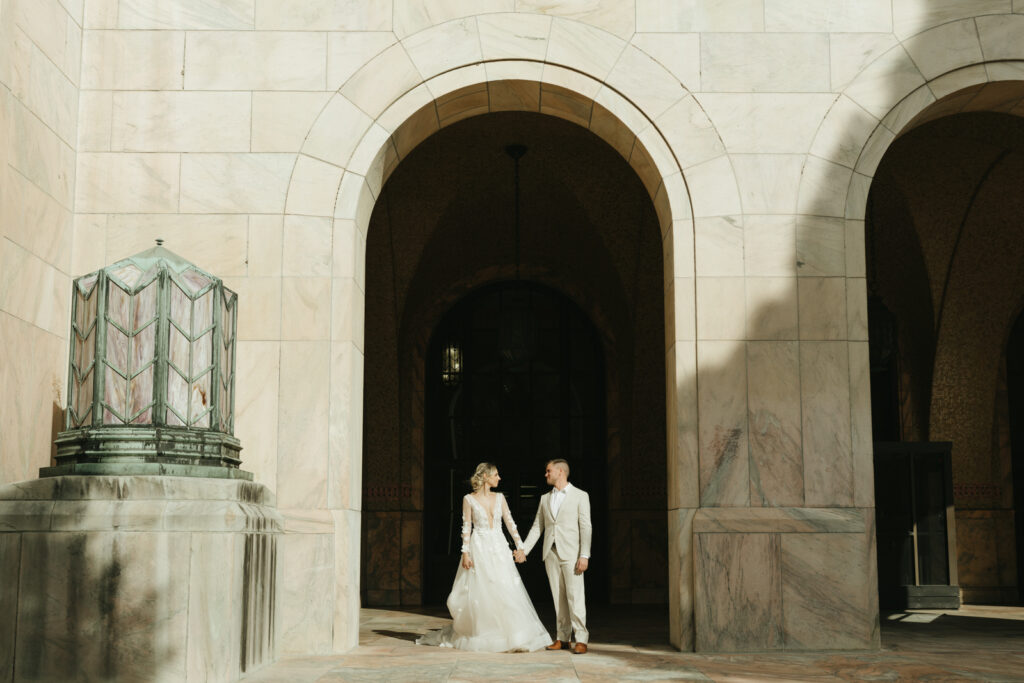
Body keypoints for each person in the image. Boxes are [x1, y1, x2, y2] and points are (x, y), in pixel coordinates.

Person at [417, 462, 551, 652]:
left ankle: (513, 635)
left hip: (498, 546)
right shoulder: (468, 499)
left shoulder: (500, 498)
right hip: (479, 546)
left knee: (505, 587)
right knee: (483, 589)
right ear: (486, 477)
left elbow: (510, 523)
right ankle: (488, 633)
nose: (499, 478)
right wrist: (465, 552)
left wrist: (521, 547)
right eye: (496, 474)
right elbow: (466, 526)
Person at [518, 459, 592, 654]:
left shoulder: (580, 496)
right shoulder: (544, 498)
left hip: (572, 554)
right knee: (558, 598)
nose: (546, 474)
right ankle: (563, 638)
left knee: (575, 597)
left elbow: (586, 527)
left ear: (560, 472)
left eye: (548, 471)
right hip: (550, 553)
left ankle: (581, 639)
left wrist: (584, 554)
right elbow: (537, 527)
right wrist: (524, 550)